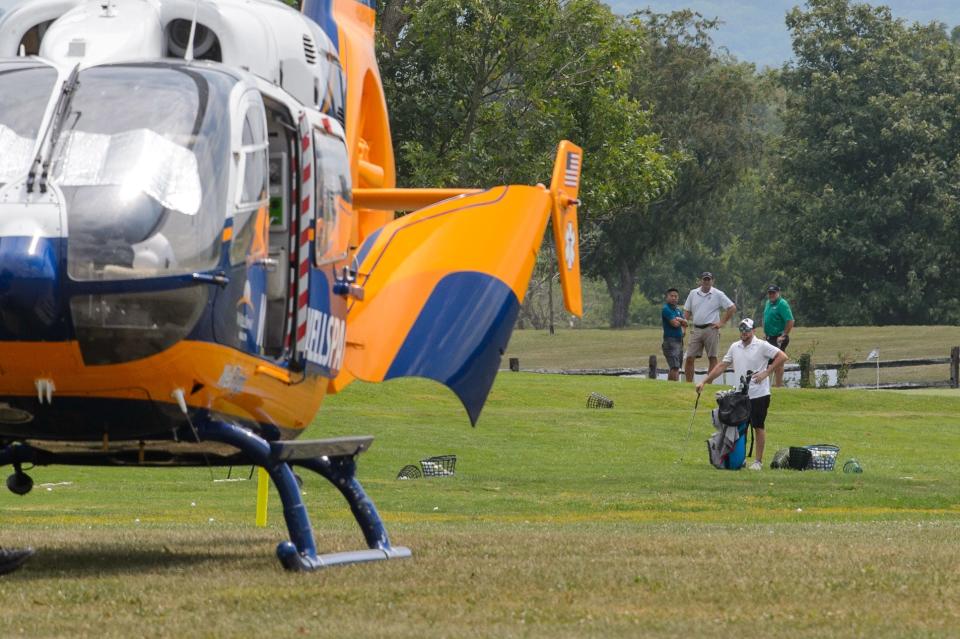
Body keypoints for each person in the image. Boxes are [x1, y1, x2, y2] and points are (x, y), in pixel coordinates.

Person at [696, 318, 788, 470]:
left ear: (753, 331)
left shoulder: (762, 345)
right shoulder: (735, 346)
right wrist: (704, 381)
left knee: (758, 426)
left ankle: (758, 461)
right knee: (740, 428)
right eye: (742, 330)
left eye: (747, 330)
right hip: (740, 394)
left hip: (759, 394)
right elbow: (721, 366)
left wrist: (767, 372)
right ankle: (740, 458)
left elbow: (782, 356)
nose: (744, 333)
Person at [683, 272, 736, 383]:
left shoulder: (718, 294)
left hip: (711, 329)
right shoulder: (693, 293)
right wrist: (684, 325)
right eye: (704, 279)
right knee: (689, 357)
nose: (706, 282)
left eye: (708, 279)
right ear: (701, 281)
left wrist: (721, 323)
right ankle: (688, 383)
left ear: (712, 281)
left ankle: (707, 383)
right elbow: (687, 311)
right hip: (696, 329)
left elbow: (731, 308)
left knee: (712, 357)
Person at [762, 285, 794, 387]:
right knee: (768, 361)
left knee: (778, 361)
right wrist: (765, 333)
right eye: (770, 293)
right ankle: (769, 385)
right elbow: (766, 318)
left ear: (778, 293)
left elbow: (790, 320)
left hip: (779, 337)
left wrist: (784, 335)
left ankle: (778, 386)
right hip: (769, 337)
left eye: (773, 293)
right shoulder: (768, 303)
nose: (771, 295)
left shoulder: (782, 304)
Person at [661, 288, 687, 381]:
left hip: (679, 340)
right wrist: (681, 321)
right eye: (671, 296)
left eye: (675, 296)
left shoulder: (678, 310)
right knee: (675, 367)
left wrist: (680, 320)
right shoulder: (666, 309)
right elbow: (674, 324)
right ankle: (673, 386)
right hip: (670, 341)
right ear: (667, 297)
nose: (674, 298)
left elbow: (686, 323)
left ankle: (670, 386)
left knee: (676, 367)